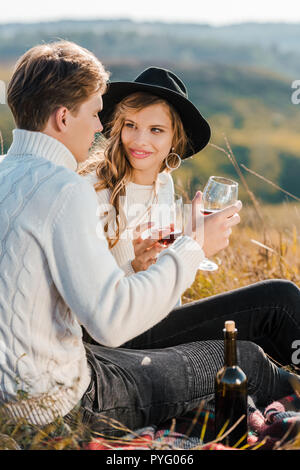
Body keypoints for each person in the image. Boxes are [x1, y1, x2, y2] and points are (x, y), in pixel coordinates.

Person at [0, 41, 298, 440]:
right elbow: (108, 322)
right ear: (63, 116)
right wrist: (191, 246)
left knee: (274, 301)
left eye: (156, 130)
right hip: (62, 395)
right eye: (95, 114)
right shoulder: (69, 189)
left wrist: (150, 263)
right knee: (244, 356)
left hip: (51, 375)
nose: (97, 129)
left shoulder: (9, 172)